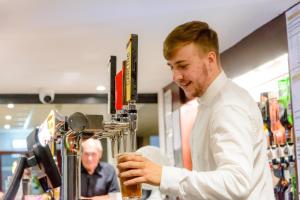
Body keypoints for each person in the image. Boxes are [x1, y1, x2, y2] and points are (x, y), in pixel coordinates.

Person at [117, 21, 275, 199]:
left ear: (210, 60)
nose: (176, 77)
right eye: (172, 67)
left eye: (183, 66)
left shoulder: (227, 106)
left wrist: (163, 175)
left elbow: (236, 182)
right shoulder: (208, 104)